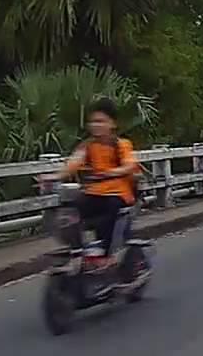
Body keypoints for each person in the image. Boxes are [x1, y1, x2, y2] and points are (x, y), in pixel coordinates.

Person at [43, 98, 140, 267]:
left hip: (119, 194)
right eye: (93, 121)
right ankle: (77, 249)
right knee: (72, 211)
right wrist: (55, 176)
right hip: (94, 193)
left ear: (112, 124)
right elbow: (74, 162)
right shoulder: (88, 146)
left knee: (110, 210)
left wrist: (112, 172)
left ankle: (105, 253)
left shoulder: (122, 144)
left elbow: (130, 164)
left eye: (101, 121)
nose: (96, 125)